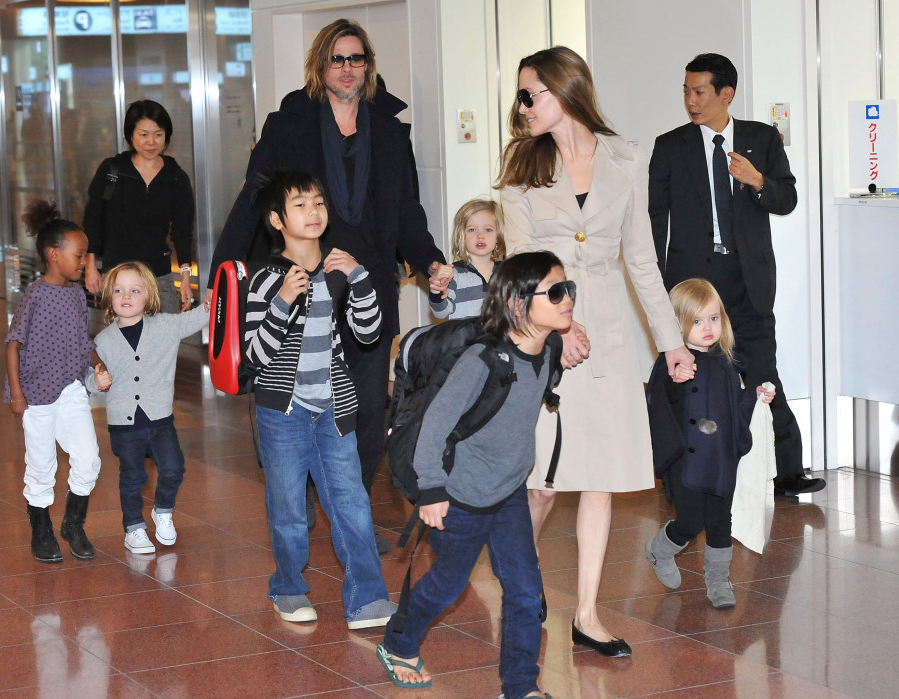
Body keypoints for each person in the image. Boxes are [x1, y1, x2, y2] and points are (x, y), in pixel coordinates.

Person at [207, 19, 453, 552]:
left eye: (357, 59)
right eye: (338, 59)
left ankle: (353, 514)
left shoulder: (390, 130)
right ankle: (307, 501)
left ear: (369, 65)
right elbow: (254, 199)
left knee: (365, 407)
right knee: (302, 405)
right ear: (321, 67)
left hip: (367, 288)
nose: (348, 68)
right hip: (304, 289)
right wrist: (222, 275)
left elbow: (407, 209)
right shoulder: (289, 123)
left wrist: (429, 261)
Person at [496, 46, 696, 658]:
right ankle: (521, 593)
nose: (522, 107)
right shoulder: (521, 170)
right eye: (521, 96)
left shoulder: (625, 158)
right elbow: (521, 268)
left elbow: (640, 258)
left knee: (601, 479)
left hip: (607, 336)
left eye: (532, 94)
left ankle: (586, 612)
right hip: (544, 336)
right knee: (543, 482)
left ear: (565, 91)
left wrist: (671, 344)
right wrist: (560, 327)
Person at [376, 251, 570, 698]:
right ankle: (398, 642)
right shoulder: (481, 361)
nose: (567, 300)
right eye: (556, 292)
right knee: (448, 586)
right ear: (519, 305)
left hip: (508, 494)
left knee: (525, 593)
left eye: (568, 289)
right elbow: (435, 426)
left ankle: (520, 686)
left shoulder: (548, 350)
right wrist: (430, 491)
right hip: (458, 495)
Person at [648, 53, 825, 499]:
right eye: (686, 91)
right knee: (687, 377)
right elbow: (654, 216)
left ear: (726, 94)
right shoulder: (670, 146)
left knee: (764, 369)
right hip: (693, 284)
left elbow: (787, 199)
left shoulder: (761, 138)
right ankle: (678, 472)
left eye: (699, 91)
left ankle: (787, 472)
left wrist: (758, 180)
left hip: (748, 276)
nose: (690, 100)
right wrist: (657, 281)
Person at [243, 170, 396, 630]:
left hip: (332, 407)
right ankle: (288, 589)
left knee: (351, 502)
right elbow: (254, 355)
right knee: (289, 507)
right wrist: (284, 301)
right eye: (299, 205)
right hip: (283, 412)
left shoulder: (337, 270)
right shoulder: (267, 278)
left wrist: (360, 277)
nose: (313, 212)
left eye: (318, 202)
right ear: (276, 220)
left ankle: (367, 599)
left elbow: (369, 334)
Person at [644, 279, 775, 609]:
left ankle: (718, 581)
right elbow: (662, 402)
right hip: (686, 461)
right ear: (677, 325)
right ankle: (659, 550)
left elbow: (733, 409)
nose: (707, 328)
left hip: (720, 459)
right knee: (690, 522)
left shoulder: (726, 363)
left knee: (720, 521)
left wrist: (755, 397)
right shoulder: (671, 364)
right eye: (697, 321)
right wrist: (676, 381)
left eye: (713, 318)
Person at [5, 200, 106, 564]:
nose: (83, 262)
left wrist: (98, 365)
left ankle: (73, 524)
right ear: (53, 254)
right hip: (36, 396)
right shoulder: (36, 295)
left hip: (70, 390)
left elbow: (83, 340)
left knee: (89, 459)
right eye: (79, 255)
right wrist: (17, 394)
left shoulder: (77, 295)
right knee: (42, 465)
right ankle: (41, 529)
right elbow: (13, 344)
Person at [88, 261, 208, 554]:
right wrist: (97, 381)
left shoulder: (165, 326)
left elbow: (199, 316)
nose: (126, 296)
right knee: (133, 477)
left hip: (160, 419)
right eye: (118, 290)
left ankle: (163, 511)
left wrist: (217, 296)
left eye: (135, 290)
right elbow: (88, 379)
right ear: (109, 297)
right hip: (123, 424)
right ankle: (134, 528)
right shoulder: (103, 341)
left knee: (173, 468)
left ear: (149, 297)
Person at [83, 99, 195, 314]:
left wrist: (185, 276)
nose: (151, 142)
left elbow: (182, 230)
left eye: (158, 134)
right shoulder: (112, 170)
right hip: (117, 275)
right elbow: (94, 218)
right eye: (143, 134)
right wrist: (90, 265)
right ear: (130, 136)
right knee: (123, 343)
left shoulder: (175, 177)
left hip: (158, 276)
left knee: (163, 343)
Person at [429, 198, 505, 320]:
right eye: (472, 230)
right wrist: (436, 290)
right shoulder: (454, 274)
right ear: (461, 237)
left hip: (499, 338)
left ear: (498, 236)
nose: (480, 235)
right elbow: (441, 313)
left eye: (488, 229)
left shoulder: (507, 271)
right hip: (466, 338)